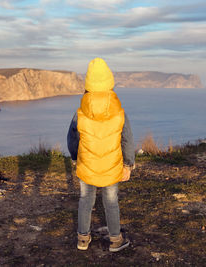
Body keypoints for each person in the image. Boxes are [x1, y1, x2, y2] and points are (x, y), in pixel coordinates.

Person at [67, 58, 135, 252]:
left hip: (87, 164)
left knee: (85, 200)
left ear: (88, 83)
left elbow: (72, 138)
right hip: (112, 164)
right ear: (109, 81)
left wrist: (75, 158)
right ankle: (115, 240)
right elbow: (127, 139)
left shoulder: (80, 112)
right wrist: (128, 164)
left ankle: (82, 239)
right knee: (111, 202)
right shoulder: (119, 111)